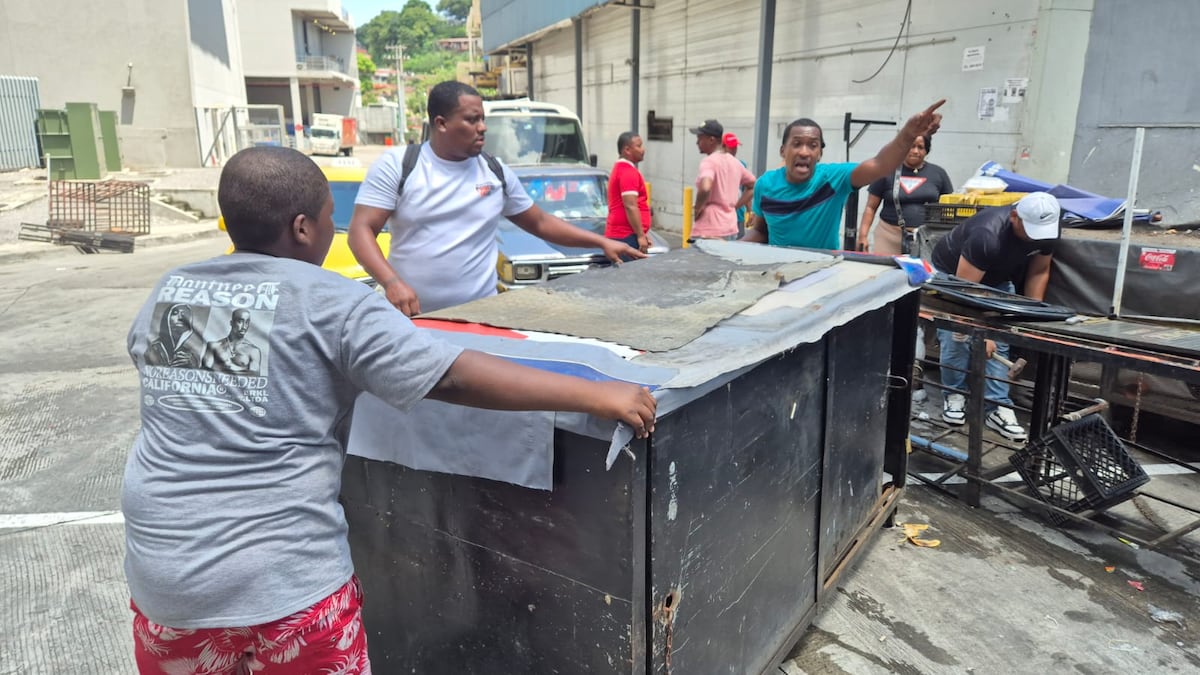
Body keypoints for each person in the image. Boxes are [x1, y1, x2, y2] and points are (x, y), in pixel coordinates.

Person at [123, 146, 657, 674]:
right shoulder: (332, 301)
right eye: (333, 223)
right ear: (303, 227)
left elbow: (192, 375)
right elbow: (449, 374)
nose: (335, 233)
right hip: (285, 585)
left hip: (167, 583)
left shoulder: (171, 291)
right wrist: (597, 393)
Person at [348, 81, 643, 317]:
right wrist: (392, 283)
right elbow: (361, 232)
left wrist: (601, 242)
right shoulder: (400, 166)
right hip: (412, 318)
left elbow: (540, 222)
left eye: (483, 119)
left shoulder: (494, 170)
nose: (483, 127)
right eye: (472, 119)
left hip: (478, 316)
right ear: (441, 124)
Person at [931, 192, 1062, 441]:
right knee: (957, 335)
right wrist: (981, 334)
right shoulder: (987, 235)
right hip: (954, 276)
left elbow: (1039, 271)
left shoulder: (1048, 227)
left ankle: (997, 406)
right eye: (1030, 231)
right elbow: (965, 294)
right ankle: (954, 394)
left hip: (997, 279)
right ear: (1015, 216)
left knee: (1001, 340)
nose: (1037, 238)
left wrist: (1029, 318)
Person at [742, 100, 945, 250]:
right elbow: (761, 231)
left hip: (821, 273)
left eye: (812, 145)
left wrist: (908, 134)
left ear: (819, 153)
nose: (804, 152)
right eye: (796, 144)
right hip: (778, 274)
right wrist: (731, 248)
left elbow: (881, 164)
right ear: (782, 151)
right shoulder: (765, 185)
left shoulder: (834, 179)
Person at [857, 134, 954, 255]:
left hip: (927, 238)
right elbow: (870, 207)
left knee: (922, 272)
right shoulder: (886, 170)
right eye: (911, 146)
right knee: (885, 272)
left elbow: (949, 208)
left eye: (920, 147)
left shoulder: (938, 173)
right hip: (889, 236)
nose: (915, 151)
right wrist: (862, 236)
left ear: (926, 151)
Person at [690, 119, 756, 241]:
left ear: (711, 140)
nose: (697, 142)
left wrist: (698, 208)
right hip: (730, 227)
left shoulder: (709, 162)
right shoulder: (735, 162)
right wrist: (735, 206)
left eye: (700, 138)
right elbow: (753, 185)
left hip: (709, 229)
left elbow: (705, 187)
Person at [604, 131, 652, 256]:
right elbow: (630, 205)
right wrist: (640, 235)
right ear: (627, 150)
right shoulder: (627, 172)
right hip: (625, 236)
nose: (643, 149)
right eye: (639, 146)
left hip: (625, 235)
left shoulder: (621, 169)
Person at [201, 308, 262, 375]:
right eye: (240, 321)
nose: (244, 327)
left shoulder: (253, 351)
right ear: (231, 323)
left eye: (247, 322)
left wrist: (228, 370)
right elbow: (204, 373)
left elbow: (254, 378)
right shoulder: (214, 346)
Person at [723, 132, 751, 238]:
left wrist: (750, 210)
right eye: (731, 147)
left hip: (738, 216)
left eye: (735, 147)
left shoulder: (741, 165)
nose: (734, 150)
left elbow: (746, 189)